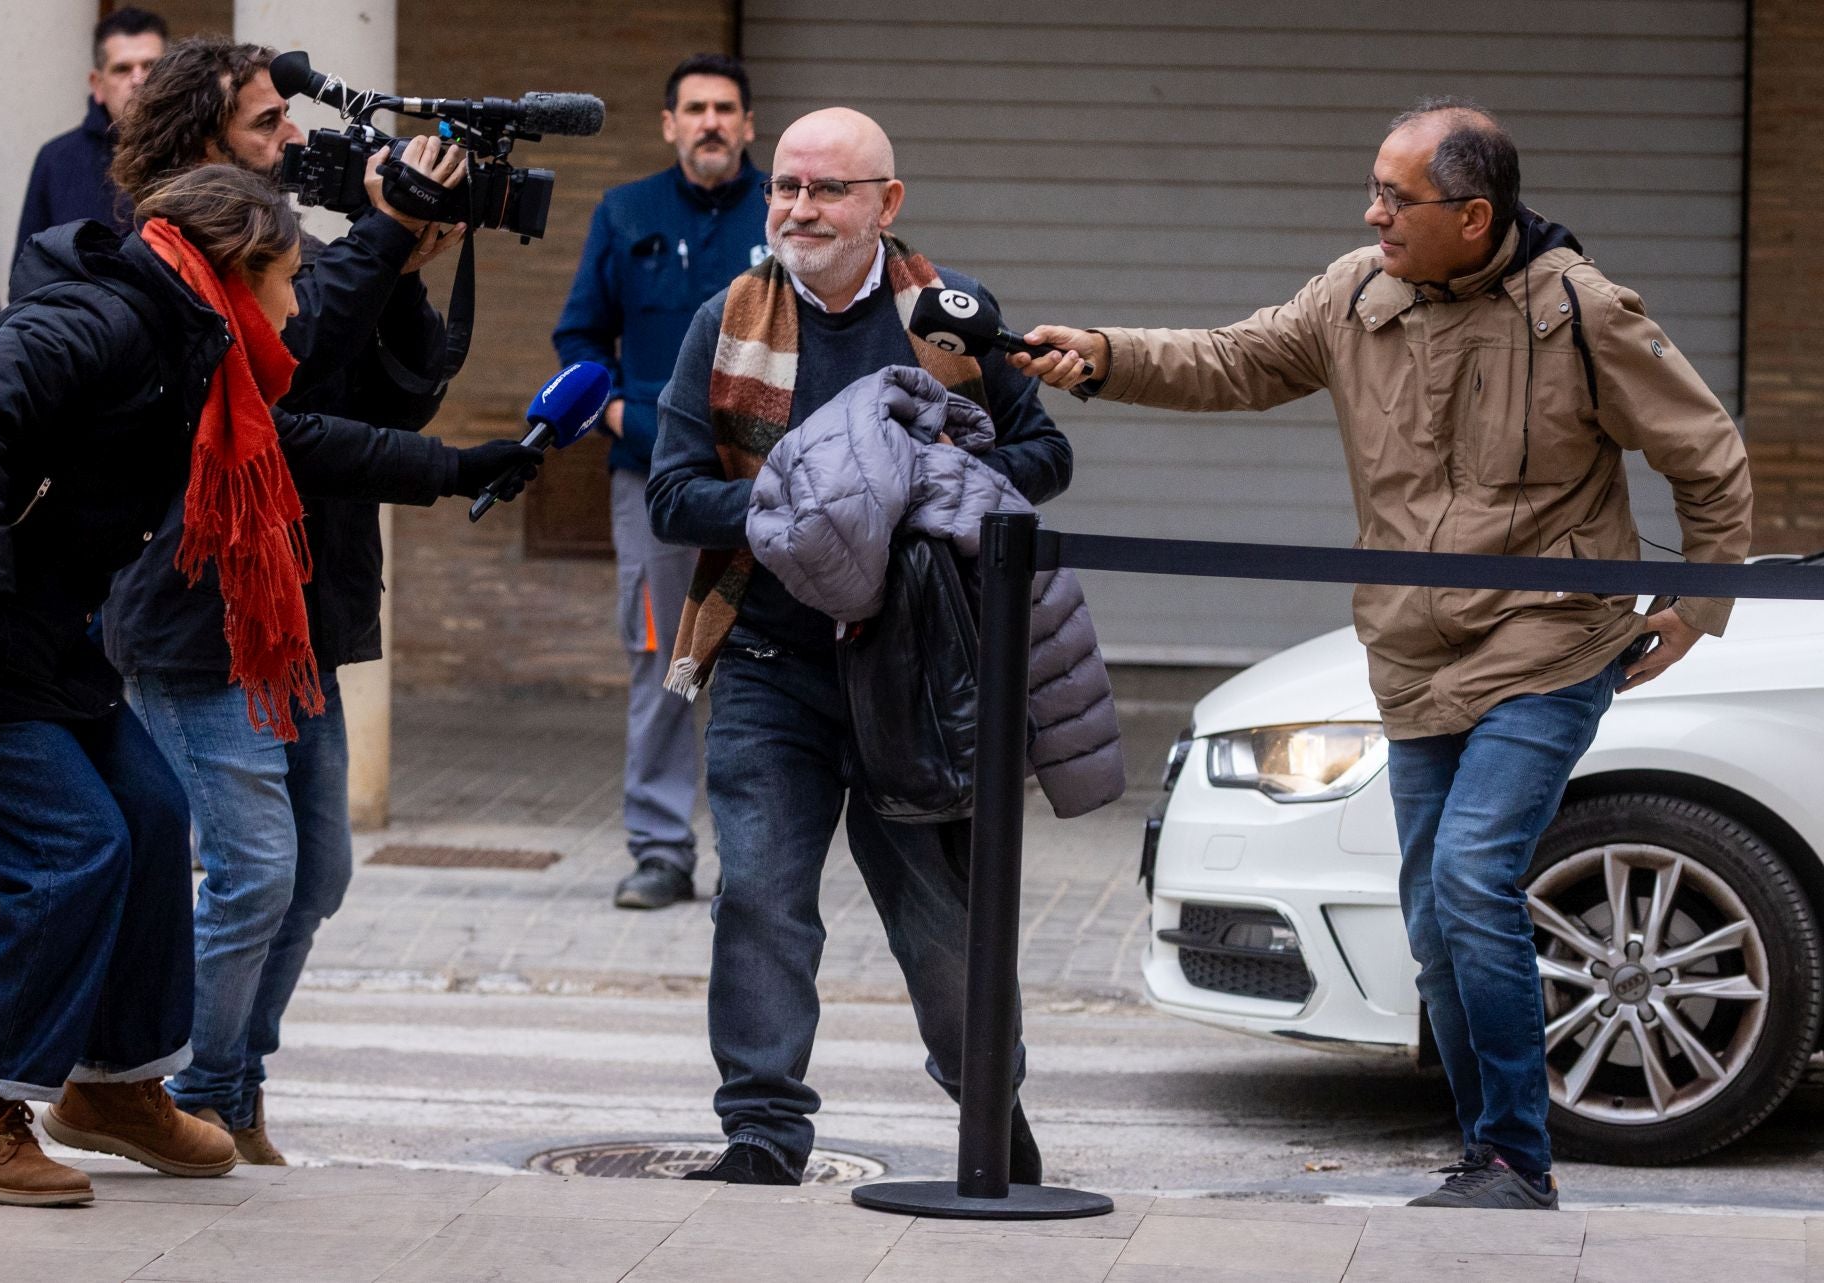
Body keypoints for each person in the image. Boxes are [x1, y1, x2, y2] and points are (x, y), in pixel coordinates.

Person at [1015, 98, 1753, 1210]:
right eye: (1373, 191)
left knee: (1470, 876)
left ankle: (1513, 1154)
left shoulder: (1581, 312)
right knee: (1433, 917)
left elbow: (1709, 452)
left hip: (1549, 640)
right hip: (1411, 654)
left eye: (1393, 199)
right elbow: (1234, 359)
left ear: (1472, 213)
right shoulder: (1352, 295)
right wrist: (1107, 357)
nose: (1371, 215)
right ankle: (1484, 1146)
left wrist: (1700, 602)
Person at [0, 163, 539, 1208]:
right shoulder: (100, 321)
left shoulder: (195, 346)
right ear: (236, 272)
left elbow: (286, 447)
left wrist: (452, 470)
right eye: (289, 280)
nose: (299, 305)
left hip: (40, 638)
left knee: (153, 819)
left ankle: (116, 1085)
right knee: (73, 853)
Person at [648, 107, 1072, 1184]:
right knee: (759, 897)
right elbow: (671, 493)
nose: (799, 207)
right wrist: (806, 510)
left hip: (918, 675)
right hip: (767, 667)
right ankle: (762, 1131)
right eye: (786, 185)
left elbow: (1043, 452)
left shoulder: (948, 318)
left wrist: (928, 497)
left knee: (943, 924)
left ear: (886, 203)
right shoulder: (725, 319)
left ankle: (992, 1107)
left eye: (827, 189)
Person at [96, 36, 465, 1166]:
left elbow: (396, 394)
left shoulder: (294, 249)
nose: (291, 140)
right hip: (200, 610)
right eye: (264, 124)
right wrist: (385, 234)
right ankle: (183, 1090)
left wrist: (406, 263)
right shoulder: (169, 255)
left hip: (301, 605)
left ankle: (229, 1084)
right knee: (253, 868)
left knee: (317, 871)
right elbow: (287, 370)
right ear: (203, 146)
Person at [554, 53, 768, 910]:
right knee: (670, 663)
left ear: (749, 125)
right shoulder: (626, 212)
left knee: (766, 661)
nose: (711, 121)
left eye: (726, 108)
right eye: (695, 108)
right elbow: (579, 340)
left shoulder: (781, 212)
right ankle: (661, 849)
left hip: (771, 486)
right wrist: (610, 417)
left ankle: (757, 858)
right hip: (654, 481)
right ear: (670, 123)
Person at [14, 6, 167, 257]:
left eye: (150, 66)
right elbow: (26, 271)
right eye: (122, 69)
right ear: (97, 84)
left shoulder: (200, 152)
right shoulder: (57, 160)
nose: (138, 79)